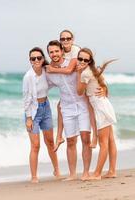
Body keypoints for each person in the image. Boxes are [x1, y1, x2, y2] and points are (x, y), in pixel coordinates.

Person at [46, 40, 91, 181]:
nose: (54, 54)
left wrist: (101, 88)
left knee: (85, 138)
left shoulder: (73, 62)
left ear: (61, 51)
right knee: (71, 141)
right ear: (49, 54)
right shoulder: (48, 73)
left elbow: (90, 72)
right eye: (51, 52)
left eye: (56, 51)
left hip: (83, 104)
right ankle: (72, 174)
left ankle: (85, 173)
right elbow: (42, 88)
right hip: (66, 107)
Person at [47, 30, 98, 151]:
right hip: (73, 90)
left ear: (72, 39)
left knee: (88, 104)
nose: (65, 41)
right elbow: (55, 62)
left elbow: (70, 69)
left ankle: (95, 135)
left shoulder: (76, 50)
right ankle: (59, 136)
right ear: (60, 41)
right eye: (63, 39)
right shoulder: (60, 51)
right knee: (60, 105)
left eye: (68, 38)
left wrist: (52, 70)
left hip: (83, 83)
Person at [76, 47, 118, 180]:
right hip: (103, 104)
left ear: (89, 61)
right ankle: (111, 171)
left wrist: (78, 73)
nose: (82, 61)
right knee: (110, 140)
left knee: (103, 142)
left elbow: (79, 92)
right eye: (80, 58)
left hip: (100, 107)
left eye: (85, 59)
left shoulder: (85, 74)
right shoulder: (93, 71)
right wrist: (105, 90)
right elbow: (104, 85)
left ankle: (97, 173)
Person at [22, 47, 60, 183]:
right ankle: (34, 176)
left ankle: (57, 170)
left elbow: (55, 80)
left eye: (39, 58)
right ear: (30, 61)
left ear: (43, 59)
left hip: (46, 108)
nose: (36, 60)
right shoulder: (28, 77)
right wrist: (28, 118)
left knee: (50, 142)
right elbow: (26, 98)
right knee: (35, 145)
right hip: (33, 112)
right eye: (33, 58)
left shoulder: (46, 71)